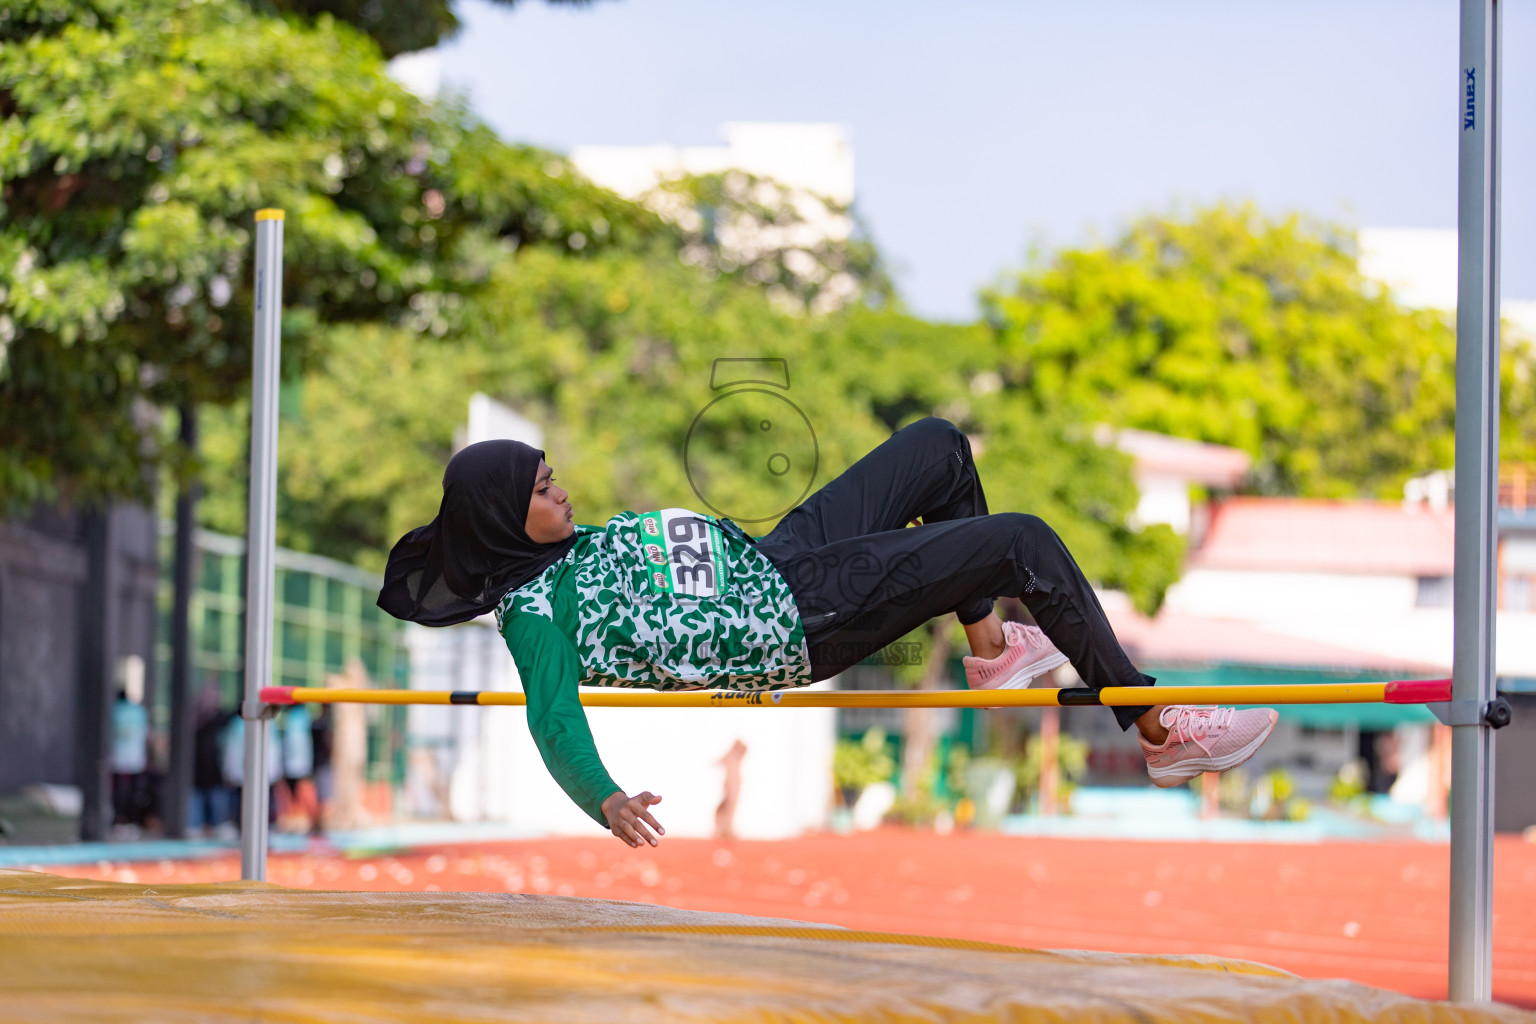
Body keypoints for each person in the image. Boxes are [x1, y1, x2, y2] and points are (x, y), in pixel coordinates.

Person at [379, 419, 1277, 849]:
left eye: (552, 476)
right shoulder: (535, 611)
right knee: (1022, 542)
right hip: (791, 620)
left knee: (937, 449)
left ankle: (996, 655)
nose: (561, 492)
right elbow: (551, 720)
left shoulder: (571, 549)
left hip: (774, 562)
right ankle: (1161, 732)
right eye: (540, 490)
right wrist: (603, 796)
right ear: (500, 518)